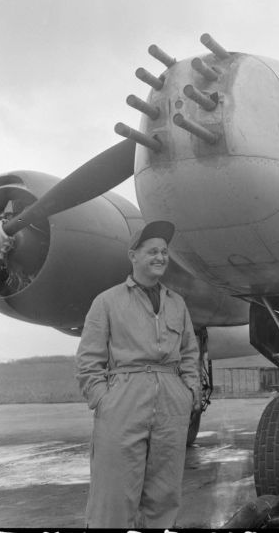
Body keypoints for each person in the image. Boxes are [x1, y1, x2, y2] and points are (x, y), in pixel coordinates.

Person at [76, 220, 200, 528]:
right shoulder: (107, 302)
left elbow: (189, 353)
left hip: (172, 402)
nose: (160, 257)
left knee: (164, 494)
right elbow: (89, 360)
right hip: (123, 399)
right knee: (114, 495)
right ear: (133, 256)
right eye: (152, 251)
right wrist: (104, 400)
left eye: (164, 252)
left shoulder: (177, 303)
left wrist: (190, 394)